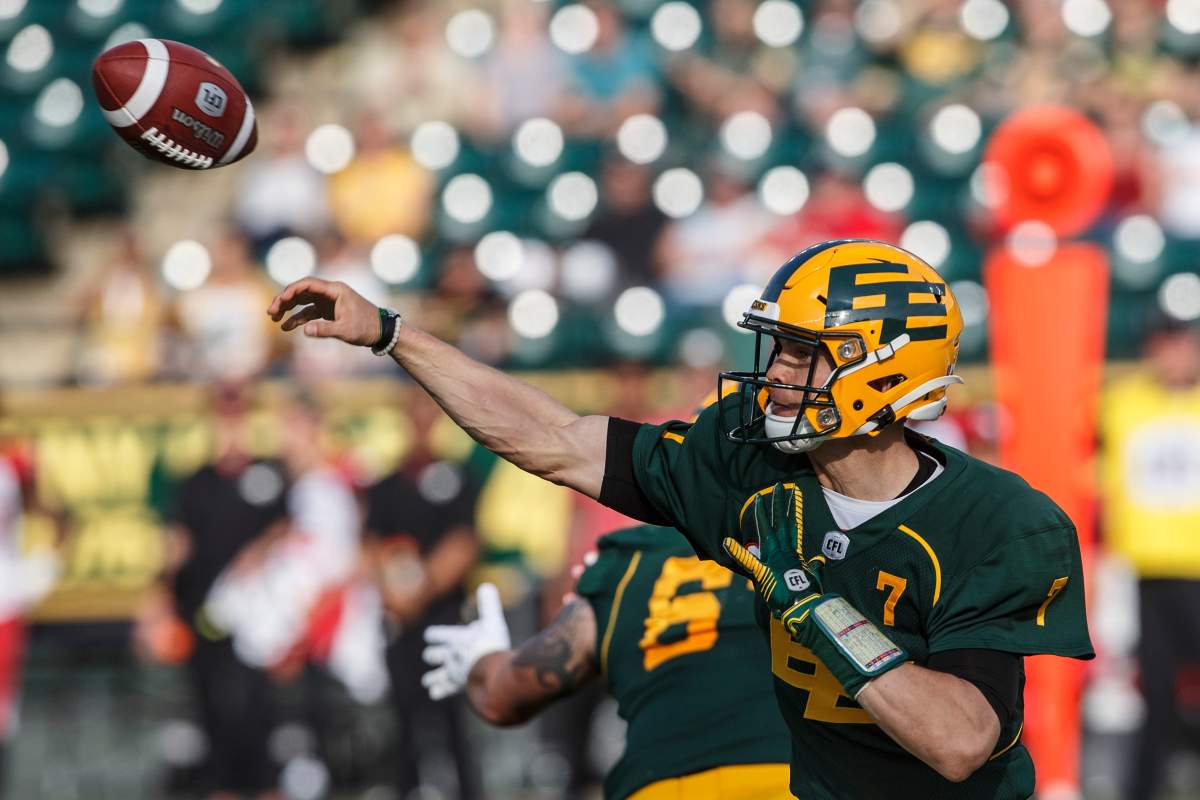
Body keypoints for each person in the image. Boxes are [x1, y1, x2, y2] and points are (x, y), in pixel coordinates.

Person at [266, 238, 1093, 798]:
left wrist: (815, 606)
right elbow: (553, 438)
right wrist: (392, 335)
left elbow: (958, 740)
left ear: (882, 372)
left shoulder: (998, 521)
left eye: (805, 353)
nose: (776, 374)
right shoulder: (749, 469)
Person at [421, 524, 792, 800]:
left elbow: (501, 694)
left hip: (661, 787)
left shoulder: (632, 560)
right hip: (804, 783)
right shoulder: (828, 542)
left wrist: (479, 658)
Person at [159, 383, 287, 800]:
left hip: (262, 626)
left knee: (263, 724)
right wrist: (159, 601)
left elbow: (291, 528)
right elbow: (177, 548)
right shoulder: (195, 484)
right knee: (216, 724)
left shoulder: (269, 476)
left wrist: (262, 548)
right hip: (208, 623)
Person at [364, 390, 482, 800]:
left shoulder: (456, 478)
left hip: (444, 620)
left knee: (453, 726)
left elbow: (463, 543)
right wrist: (397, 595)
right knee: (404, 724)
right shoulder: (386, 484)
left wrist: (421, 588)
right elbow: (373, 547)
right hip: (401, 622)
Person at [1101, 314, 1200, 800]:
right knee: (1155, 694)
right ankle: (1144, 787)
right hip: (1149, 571)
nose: (1175, 355)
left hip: (1195, 570)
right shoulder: (1123, 402)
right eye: (1166, 343)